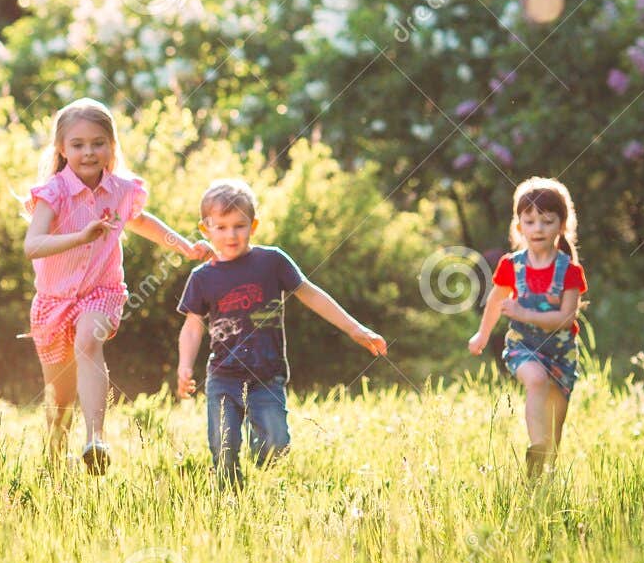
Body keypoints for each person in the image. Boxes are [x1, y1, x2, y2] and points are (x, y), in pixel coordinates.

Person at [23, 98, 211, 474]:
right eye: (78, 145)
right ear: (62, 149)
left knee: (89, 341)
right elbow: (33, 245)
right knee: (58, 399)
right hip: (54, 301)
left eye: (98, 143)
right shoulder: (53, 192)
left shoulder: (122, 190)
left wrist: (186, 247)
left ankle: (95, 438)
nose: (88, 152)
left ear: (111, 146)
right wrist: (80, 236)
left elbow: (141, 222)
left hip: (101, 293)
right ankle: (54, 462)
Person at [176, 179, 386, 485]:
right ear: (205, 229)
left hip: (266, 374)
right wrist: (184, 365)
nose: (231, 235)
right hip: (223, 376)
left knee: (276, 444)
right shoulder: (202, 278)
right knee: (224, 449)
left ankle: (258, 445)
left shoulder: (271, 261)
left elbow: (311, 294)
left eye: (239, 225)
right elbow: (192, 326)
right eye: (220, 227)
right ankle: (230, 504)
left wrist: (355, 328)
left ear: (254, 225)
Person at [467, 176, 588, 479]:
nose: (538, 228)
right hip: (524, 347)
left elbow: (565, 317)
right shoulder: (512, 265)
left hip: (561, 354)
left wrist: (522, 311)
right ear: (519, 226)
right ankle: (537, 447)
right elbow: (495, 300)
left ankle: (545, 474)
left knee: (556, 421)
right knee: (535, 380)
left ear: (561, 225)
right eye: (530, 221)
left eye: (547, 221)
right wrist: (482, 334)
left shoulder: (570, 271)